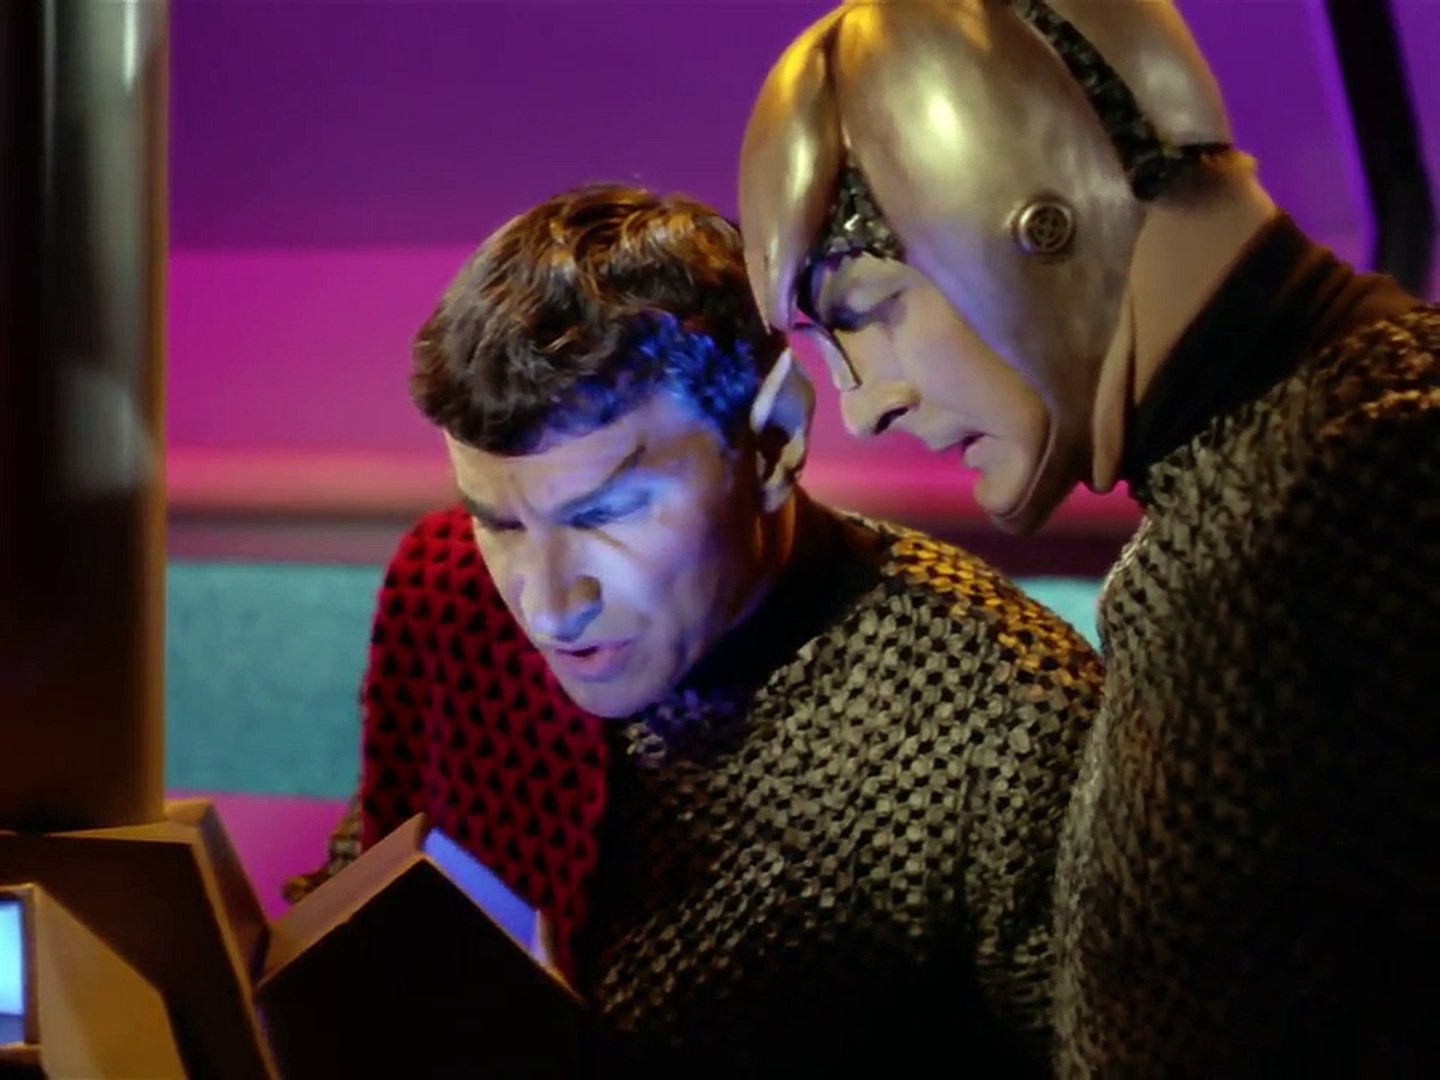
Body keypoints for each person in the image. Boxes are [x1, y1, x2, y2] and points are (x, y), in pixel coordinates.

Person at [737, 1, 1438, 1074]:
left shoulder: (1366, 481)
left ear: (1031, 219)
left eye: (867, 308)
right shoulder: (1274, 489)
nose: (865, 406)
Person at [286, 182, 1103, 1072]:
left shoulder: (1007, 714)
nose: (548, 607)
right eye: (501, 524)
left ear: (775, 439)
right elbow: (357, 911)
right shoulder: (452, 602)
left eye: (609, 513)